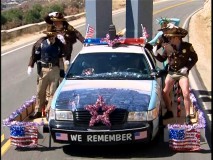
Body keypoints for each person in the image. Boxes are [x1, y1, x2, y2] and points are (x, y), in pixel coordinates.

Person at [152, 26, 198, 125]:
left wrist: (187, 67)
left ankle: (187, 116)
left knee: (186, 93)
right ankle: (169, 111)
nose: (169, 39)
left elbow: (194, 58)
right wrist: (155, 53)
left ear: (177, 38)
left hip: (182, 74)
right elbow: (162, 59)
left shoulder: (187, 46)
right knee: (164, 92)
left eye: (171, 38)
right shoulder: (168, 47)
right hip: (172, 73)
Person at [27, 27, 65, 119]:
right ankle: (38, 111)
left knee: (52, 93)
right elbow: (34, 56)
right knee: (40, 92)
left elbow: (60, 59)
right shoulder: (41, 44)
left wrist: (62, 70)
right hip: (43, 70)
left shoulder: (59, 45)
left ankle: (48, 112)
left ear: (55, 35)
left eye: (53, 35)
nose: (51, 37)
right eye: (50, 35)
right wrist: (30, 66)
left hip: (55, 70)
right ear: (47, 35)